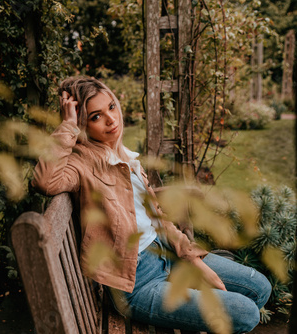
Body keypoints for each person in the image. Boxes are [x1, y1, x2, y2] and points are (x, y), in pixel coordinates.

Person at [32, 76, 271, 333]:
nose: (111, 120)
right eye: (95, 117)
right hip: (137, 282)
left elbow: (157, 218)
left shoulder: (123, 156)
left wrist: (194, 261)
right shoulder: (81, 163)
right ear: (83, 124)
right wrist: (67, 124)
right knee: (245, 314)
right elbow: (44, 182)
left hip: (165, 254)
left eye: (111, 107)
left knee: (259, 288)